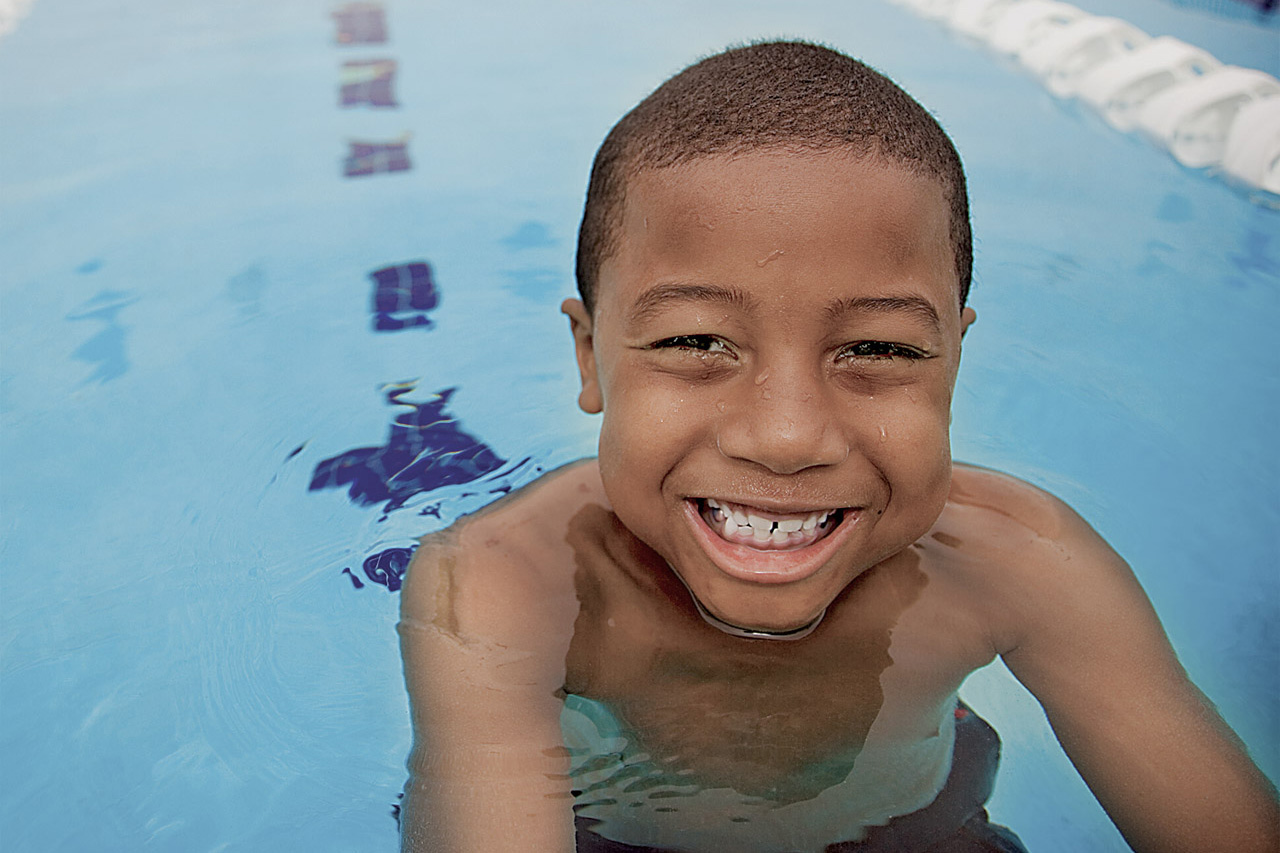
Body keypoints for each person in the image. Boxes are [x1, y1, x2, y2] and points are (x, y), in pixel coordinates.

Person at [397, 41, 1279, 853]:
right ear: (591, 357)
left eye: (880, 349)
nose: (786, 438)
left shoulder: (1019, 562)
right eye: (696, 343)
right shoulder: (503, 585)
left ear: (955, 360)